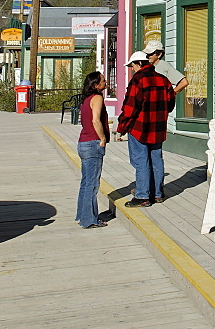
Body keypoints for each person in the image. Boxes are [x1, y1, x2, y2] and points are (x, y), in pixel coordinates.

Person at [118, 51, 176, 208]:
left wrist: (122, 126)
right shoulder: (164, 80)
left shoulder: (138, 80)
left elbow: (130, 107)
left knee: (140, 160)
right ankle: (157, 194)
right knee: (156, 159)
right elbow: (170, 104)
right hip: (158, 127)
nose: (132, 69)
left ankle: (142, 195)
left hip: (140, 127)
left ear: (139, 64)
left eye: (132, 66)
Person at [75, 71, 110, 228]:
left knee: (85, 182)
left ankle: (83, 214)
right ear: (96, 85)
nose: (105, 82)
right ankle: (89, 219)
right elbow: (96, 120)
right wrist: (102, 138)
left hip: (83, 142)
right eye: (103, 80)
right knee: (92, 183)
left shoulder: (85, 100)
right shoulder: (97, 98)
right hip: (92, 144)